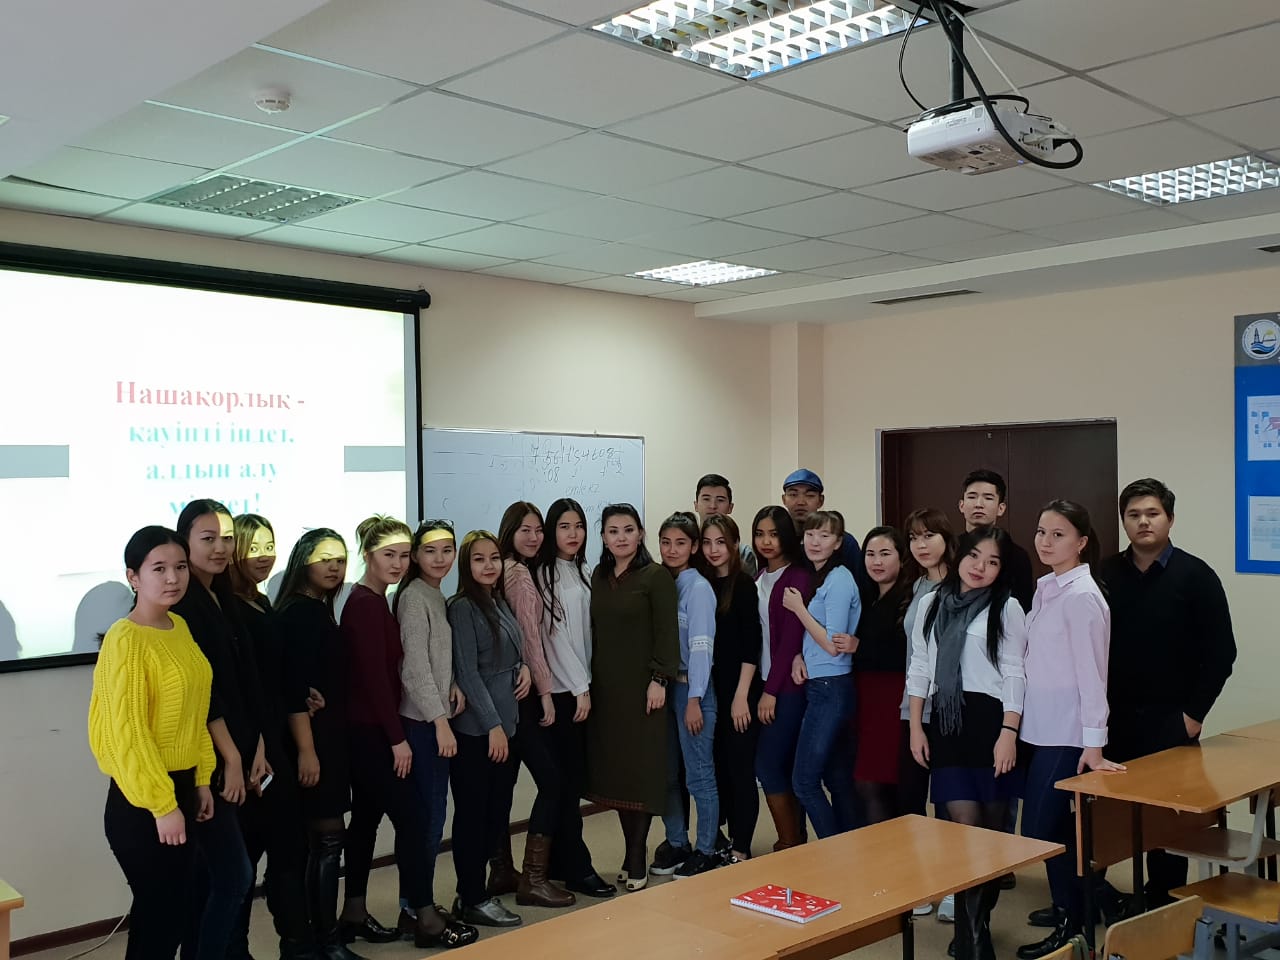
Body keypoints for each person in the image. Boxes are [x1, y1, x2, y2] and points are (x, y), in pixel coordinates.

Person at [1101, 478, 1236, 907]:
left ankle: (1162, 902)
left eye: (1152, 513)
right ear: (1123, 521)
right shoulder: (1105, 574)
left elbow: (1222, 653)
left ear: (1170, 519)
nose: (1143, 522)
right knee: (1106, 816)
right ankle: (1094, 900)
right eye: (1133, 515)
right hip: (1113, 718)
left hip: (1170, 719)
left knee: (1167, 820)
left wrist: (1193, 716)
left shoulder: (1196, 575)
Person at [339, 516, 472, 948]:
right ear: (368, 555)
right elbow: (382, 680)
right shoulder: (369, 603)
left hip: (378, 728)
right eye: (388, 555)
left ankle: (355, 912)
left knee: (366, 822)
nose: (396, 563)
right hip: (374, 733)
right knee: (415, 819)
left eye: (401, 555)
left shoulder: (382, 599)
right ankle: (423, 915)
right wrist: (398, 738)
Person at [89, 525, 216, 960]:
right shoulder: (125, 639)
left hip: (182, 786)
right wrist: (162, 805)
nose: (173, 578)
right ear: (133, 576)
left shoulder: (179, 626)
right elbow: (127, 735)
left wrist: (202, 779)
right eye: (158, 568)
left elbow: (195, 712)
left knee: (174, 911)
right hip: (142, 801)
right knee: (163, 919)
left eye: (180, 567)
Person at [907, 526, 1028, 960]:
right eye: (975, 556)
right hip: (948, 723)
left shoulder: (1007, 607)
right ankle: (975, 943)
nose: (980, 567)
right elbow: (920, 666)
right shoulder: (931, 603)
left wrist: (1009, 733)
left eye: (992, 562)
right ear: (960, 555)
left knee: (991, 840)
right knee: (964, 832)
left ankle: (974, 927)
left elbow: (1014, 672)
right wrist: (915, 726)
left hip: (992, 725)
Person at [1017, 501, 1124, 959]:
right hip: (1041, 728)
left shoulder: (1082, 597)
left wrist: (1094, 744)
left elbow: (1093, 675)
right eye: (1042, 531)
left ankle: (1074, 919)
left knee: (1042, 829)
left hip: (1067, 733)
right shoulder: (1048, 588)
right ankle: (1079, 907)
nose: (1045, 541)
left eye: (1058, 534)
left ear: (1081, 542)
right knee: (1058, 829)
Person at [173, 500, 260, 960]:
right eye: (208, 538)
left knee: (221, 875)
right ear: (184, 541)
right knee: (226, 875)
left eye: (227, 538)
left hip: (240, 748)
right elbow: (205, 697)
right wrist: (231, 757)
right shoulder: (183, 604)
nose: (221, 547)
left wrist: (257, 744)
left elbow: (244, 681)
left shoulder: (222, 596)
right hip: (206, 758)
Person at [276, 530, 365, 960]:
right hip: (314, 744)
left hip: (330, 738)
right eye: (324, 558)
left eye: (340, 559)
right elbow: (293, 688)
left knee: (324, 842)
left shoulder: (318, 608)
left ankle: (324, 937)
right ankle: (326, 941)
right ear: (302, 562)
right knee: (327, 840)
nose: (334, 567)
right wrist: (308, 751)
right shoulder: (299, 612)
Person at [227, 514, 312, 959]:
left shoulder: (261, 600)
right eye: (253, 548)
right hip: (249, 751)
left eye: (269, 546)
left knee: (289, 852)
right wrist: (254, 745)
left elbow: (274, 673)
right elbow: (239, 688)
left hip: (276, 742)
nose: (264, 556)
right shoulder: (227, 609)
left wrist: (302, 695)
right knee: (243, 863)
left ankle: (297, 946)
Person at [584, 504, 679, 892]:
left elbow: (667, 632)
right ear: (603, 538)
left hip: (644, 688)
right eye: (612, 531)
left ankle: (637, 855)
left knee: (642, 774)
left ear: (640, 534)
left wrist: (659, 678)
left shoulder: (655, 576)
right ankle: (628, 854)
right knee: (619, 776)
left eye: (628, 529)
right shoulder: (599, 575)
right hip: (607, 690)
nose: (620, 537)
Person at [531, 498, 615, 897]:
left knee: (573, 782)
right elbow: (554, 638)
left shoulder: (584, 571)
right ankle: (577, 868)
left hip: (583, 688)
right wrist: (580, 687)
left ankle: (562, 864)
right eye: (564, 526)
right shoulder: (544, 574)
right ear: (552, 531)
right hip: (564, 693)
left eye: (579, 525)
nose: (573, 533)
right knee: (565, 785)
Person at [393, 520, 472, 939]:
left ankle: (417, 900)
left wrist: (453, 684)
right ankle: (414, 908)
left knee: (432, 817)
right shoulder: (413, 598)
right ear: (415, 555)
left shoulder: (435, 594)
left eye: (447, 550)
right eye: (430, 551)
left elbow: (437, 657)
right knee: (426, 820)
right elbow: (414, 668)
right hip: (422, 724)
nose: (440, 559)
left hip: (435, 718)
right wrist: (440, 721)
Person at [448, 530, 530, 927]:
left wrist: (524, 667)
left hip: (505, 727)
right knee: (474, 818)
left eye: (494, 558)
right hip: (477, 733)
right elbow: (468, 673)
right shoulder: (463, 607)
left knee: (495, 816)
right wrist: (493, 726)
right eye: (479, 559)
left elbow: (512, 650)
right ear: (467, 565)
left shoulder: (497, 600)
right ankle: (472, 897)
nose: (489, 565)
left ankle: (474, 894)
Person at [497, 501, 575, 908]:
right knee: (552, 782)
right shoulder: (519, 576)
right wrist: (545, 692)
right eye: (524, 530)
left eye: (538, 530)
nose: (534, 537)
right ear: (509, 532)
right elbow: (531, 639)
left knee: (502, 786)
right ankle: (533, 878)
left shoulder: (504, 570)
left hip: (504, 694)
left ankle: (500, 870)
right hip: (523, 697)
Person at [653, 512, 721, 878]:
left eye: (680, 543)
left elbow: (701, 648)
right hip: (665, 688)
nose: (672, 550)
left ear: (694, 547)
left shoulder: (698, 588)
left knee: (699, 776)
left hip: (693, 692)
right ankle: (677, 842)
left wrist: (694, 699)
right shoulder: (663, 582)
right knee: (667, 774)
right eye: (666, 542)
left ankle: (707, 849)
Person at [898, 508, 957, 922]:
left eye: (929, 536)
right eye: (914, 538)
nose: (921, 545)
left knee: (950, 802)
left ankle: (953, 885)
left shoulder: (961, 585)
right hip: (914, 706)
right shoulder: (916, 584)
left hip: (952, 709)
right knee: (911, 798)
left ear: (946, 539)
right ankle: (919, 881)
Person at [786, 510, 860, 838]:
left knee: (804, 782)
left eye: (825, 535)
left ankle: (832, 852)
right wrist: (799, 656)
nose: (815, 542)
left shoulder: (839, 579)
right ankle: (849, 850)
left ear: (838, 542)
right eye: (810, 534)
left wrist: (799, 609)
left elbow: (833, 645)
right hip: (823, 683)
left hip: (831, 685)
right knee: (837, 778)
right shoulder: (822, 577)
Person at [701, 514, 763, 863]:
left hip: (740, 690)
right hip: (711, 691)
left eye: (721, 542)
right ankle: (721, 839)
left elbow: (752, 646)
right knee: (718, 768)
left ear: (735, 544)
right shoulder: (701, 584)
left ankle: (741, 846)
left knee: (740, 771)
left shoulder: (743, 585)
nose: (714, 550)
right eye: (707, 542)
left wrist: (741, 697)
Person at [752, 505, 812, 851]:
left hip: (786, 687)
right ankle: (795, 839)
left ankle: (789, 841)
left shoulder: (797, 577)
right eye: (760, 534)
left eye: (774, 534)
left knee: (768, 765)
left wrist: (771, 691)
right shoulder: (759, 576)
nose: (766, 541)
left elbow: (791, 640)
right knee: (781, 765)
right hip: (763, 681)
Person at [843, 526, 912, 826]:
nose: (877, 561)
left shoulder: (908, 597)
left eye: (885, 554)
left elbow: (904, 654)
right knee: (869, 783)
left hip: (891, 697)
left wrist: (860, 647)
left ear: (901, 557)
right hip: (866, 697)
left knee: (875, 782)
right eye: (870, 554)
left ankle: (891, 850)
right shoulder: (867, 596)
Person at [957, 469, 1035, 613]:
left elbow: (1023, 608)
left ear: (1001, 508)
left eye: (988, 498)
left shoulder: (1016, 555)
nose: (978, 504)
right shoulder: (950, 547)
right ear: (961, 505)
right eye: (972, 497)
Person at [780, 468, 868, 591]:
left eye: (810, 495)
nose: (800, 502)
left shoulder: (843, 542)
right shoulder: (779, 540)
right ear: (784, 499)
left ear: (821, 501)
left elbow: (860, 587)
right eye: (793, 495)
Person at [693, 473, 757, 576]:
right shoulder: (687, 548)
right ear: (696, 505)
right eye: (706, 499)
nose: (713, 506)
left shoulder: (744, 554)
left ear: (730, 507)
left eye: (720, 500)